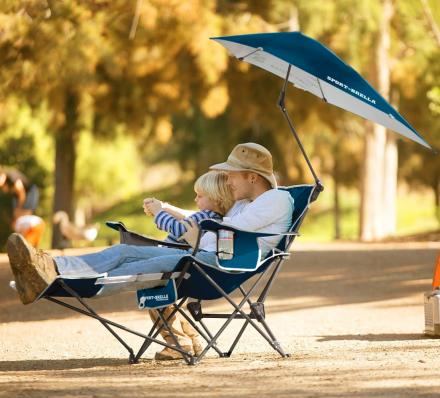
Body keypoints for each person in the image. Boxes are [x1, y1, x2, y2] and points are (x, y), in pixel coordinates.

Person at [6, 142, 294, 352]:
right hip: (194, 256)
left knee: (132, 269)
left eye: (231, 175)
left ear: (252, 176)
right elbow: (209, 221)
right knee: (122, 251)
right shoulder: (246, 203)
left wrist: (192, 234)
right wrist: (172, 212)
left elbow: (228, 230)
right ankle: (50, 268)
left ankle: (53, 282)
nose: (227, 181)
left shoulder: (277, 200)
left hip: (213, 265)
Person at [143, 170, 235, 359]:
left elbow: (178, 228)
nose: (195, 199)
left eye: (200, 196)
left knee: (155, 296)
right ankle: (193, 339)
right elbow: (186, 218)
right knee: (170, 302)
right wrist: (163, 208)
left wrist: (159, 212)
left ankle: (177, 343)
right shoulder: (210, 218)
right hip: (186, 268)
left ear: (216, 199)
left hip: (176, 268)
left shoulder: (204, 217)